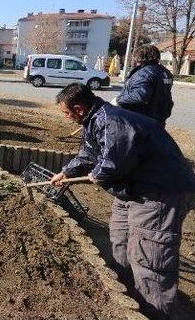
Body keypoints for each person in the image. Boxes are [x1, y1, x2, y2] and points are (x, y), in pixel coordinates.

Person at [51, 83, 195, 319]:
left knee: (150, 260)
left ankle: (157, 311)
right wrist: (66, 173)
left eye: (66, 114)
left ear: (78, 109)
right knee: (120, 241)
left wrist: (98, 174)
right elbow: (89, 154)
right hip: (132, 190)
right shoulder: (94, 121)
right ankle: (128, 300)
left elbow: (114, 164)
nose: (67, 118)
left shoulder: (112, 122)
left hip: (159, 192)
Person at [115, 44, 173, 126]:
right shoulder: (166, 72)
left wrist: (118, 100)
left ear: (140, 57)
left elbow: (139, 96)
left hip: (140, 120)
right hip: (159, 118)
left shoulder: (144, 73)